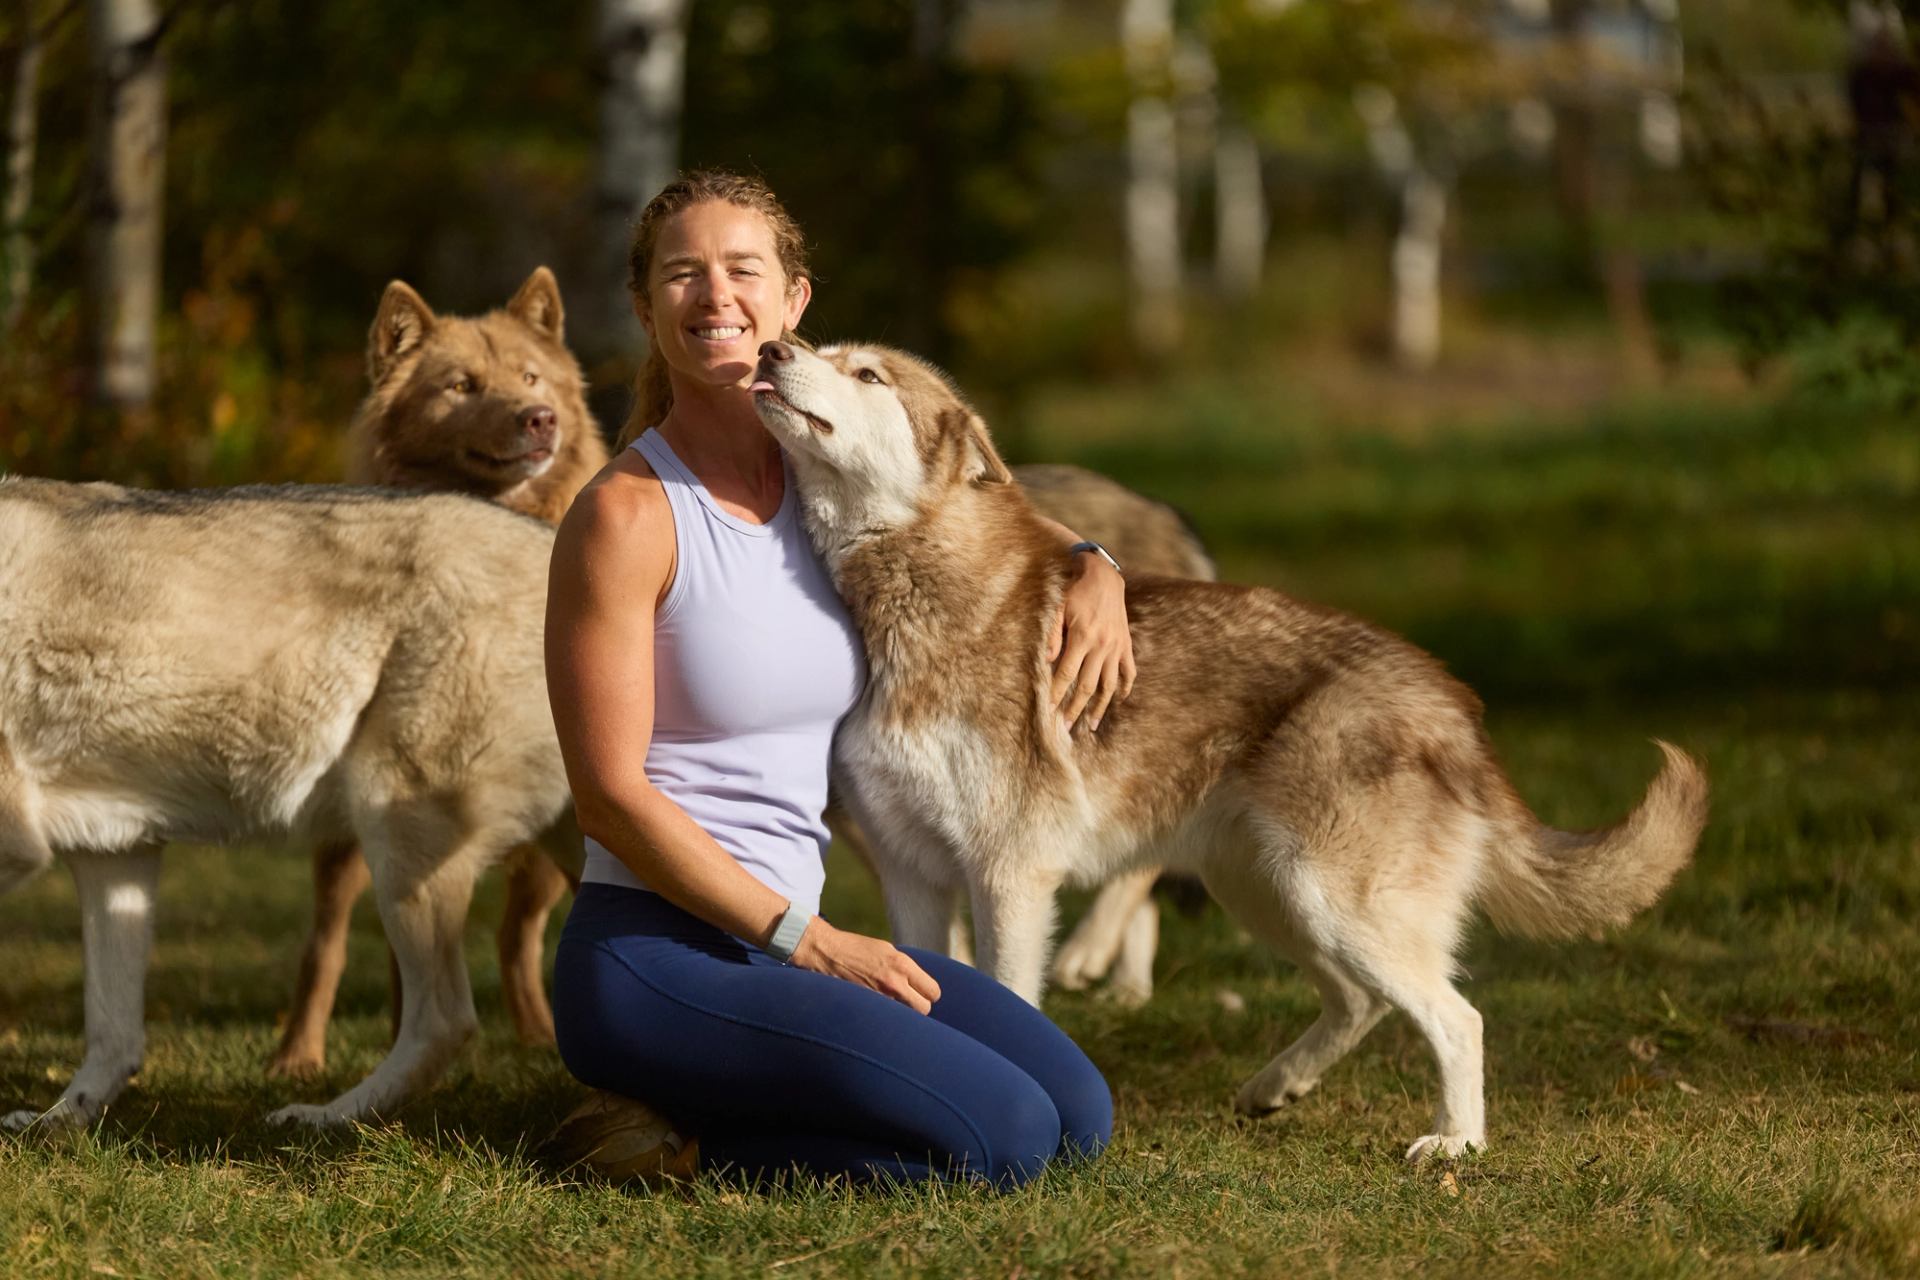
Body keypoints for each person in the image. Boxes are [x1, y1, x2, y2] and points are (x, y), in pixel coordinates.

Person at [542, 170, 1130, 1189]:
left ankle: (724, 1096)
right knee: (1009, 1138)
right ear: (646, 308)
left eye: (743, 270)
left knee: (1080, 1112)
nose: (714, 296)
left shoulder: (817, 475)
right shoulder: (628, 516)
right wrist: (811, 942)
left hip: (790, 944)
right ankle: (669, 1145)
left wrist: (1094, 563)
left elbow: (967, 492)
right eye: (682, 274)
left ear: (793, 304)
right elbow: (607, 796)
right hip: (659, 955)